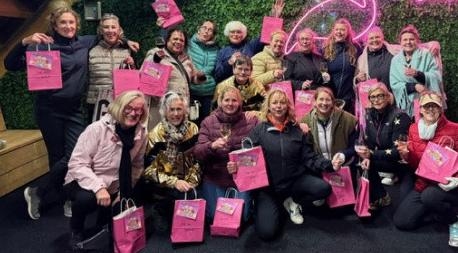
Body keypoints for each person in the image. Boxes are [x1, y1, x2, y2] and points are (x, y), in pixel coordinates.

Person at [4, 0, 138, 221]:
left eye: (71, 22)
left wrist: (126, 41)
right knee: (57, 156)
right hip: (49, 110)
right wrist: (25, 41)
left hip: (73, 110)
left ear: (77, 24)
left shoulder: (84, 42)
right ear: (54, 26)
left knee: (76, 155)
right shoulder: (41, 46)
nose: (68, 26)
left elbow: (107, 35)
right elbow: (10, 64)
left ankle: (38, 191)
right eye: (63, 23)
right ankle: (67, 197)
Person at [241, 89, 343, 241]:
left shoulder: (297, 130)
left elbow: (310, 158)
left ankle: (293, 202)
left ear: (288, 106)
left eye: (282, 103)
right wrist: (236, 166)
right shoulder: (258, 131)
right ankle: (277, 205)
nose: (279, 106)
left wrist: (330, 165)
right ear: (268, 106)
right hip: (269, 188)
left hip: (294, 182)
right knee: (267, 233)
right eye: (274, 103)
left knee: (324, 189)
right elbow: (246, 159)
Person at [64, 91, 148, 247]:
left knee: (112, 228)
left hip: (115, 184)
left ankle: (103, 224)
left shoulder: (142, 133)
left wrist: (123, 192)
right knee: (86, 200)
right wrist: (98, 188)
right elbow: (77, 164)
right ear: (119, 107)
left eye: (138, 109)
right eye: (128, 108)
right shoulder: (96, 129)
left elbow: (136, 166)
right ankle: (76, 227)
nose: (133, 113)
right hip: (83, 181)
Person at [393, 92, 458, 247]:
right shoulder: (413, 129)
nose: (430, 109)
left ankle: (455, 222)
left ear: (440, 109)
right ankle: (437, 210)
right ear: (420, 109)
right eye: (427, 106)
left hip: (453, 186)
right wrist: (407, 156)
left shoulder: (457, 130)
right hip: (425, 184)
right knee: (402, 221)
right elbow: (415, 165)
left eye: (435, 106)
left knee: (430, 196)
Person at [194, 86, 259, 222]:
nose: (230, 104)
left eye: (234, 100)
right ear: (220, 102)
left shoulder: (250, 120)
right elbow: (198, 153)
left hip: (241, 178)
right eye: (227, 100)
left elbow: (260, 151)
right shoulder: (208, 122)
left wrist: (240, 165)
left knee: (241, 218)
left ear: (240, 103)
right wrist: (211, 146)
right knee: (216, 218)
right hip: (216, 178)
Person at [143, 92, 202, 231]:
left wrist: (192, 181)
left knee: (200, 199)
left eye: (179, 109)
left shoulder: (193, 128)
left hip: (188, 181)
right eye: (171, 109)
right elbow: (148, 171)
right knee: (181, 199)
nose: (176, 113)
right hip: (164, 183)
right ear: (165, 112)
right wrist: (174, 182)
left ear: (185, 110)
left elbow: (198, 160)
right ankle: (160, 211)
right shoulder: (154, 135)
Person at [299, 87, 358, 205]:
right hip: (320, 167)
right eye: (321, 99)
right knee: (320, 202)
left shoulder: (348, 119)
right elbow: (306, 152)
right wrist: (299, 127)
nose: (324, 103)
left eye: (328, 100)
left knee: (345, 207)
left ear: (333, 102)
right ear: (315, 101)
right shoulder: (305, 121)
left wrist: (342, 155)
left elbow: (355, 146)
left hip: (343, 166)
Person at [358, 83, 412, 209]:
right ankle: (381, 197)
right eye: (372, 97)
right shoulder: (369, 114)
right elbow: (369, 142)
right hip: (385, 158)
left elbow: (398, 151)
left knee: (404, 207)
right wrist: (366, 157)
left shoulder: (400, 116)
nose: (376, 100)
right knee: (362, 163)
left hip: (403, 163)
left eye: (380, 96)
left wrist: (372, 154)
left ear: (388, 97)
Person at [144, 25, 206, 129]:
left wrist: (200, 77)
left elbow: (191, 78)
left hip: (180, 106)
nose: (178, 42)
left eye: (181, 40)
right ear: (167, 40)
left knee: (178, 134)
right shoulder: (156, 53)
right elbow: (144, 75)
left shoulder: (186, 57)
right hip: (161, 106)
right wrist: (155, 61)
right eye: (175, 39)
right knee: (160, 135)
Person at [214, 0, 285, 83]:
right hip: (230, 86)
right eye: (232, 32)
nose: (235, 34)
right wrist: (229, 63)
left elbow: (266, 35)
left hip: (249, 86)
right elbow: (218, 76)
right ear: (228, 34)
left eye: (238, 32)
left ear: (243, 34)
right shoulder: (222, 52)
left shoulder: (250, 47)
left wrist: (275, 17)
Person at [86, 13, 134, 123]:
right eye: (106, 27)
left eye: (113, 27)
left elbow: (134, 76)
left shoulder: (127, 50)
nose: (110, 30)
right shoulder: (91, 50)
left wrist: (132, 65)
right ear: (101, 30)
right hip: (97, 104)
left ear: (119, 30)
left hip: (121, 103)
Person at [390, 24, 443, 119]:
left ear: (417, 41)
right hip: (406, 105)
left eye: (411, 39)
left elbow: (436, 76)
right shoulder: (395, 60)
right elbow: (394, 84)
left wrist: (418, 74)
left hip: (427, 102)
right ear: (400, 42)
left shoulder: (426, 54)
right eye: (405, 40)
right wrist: (414, 86)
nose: (408, 42)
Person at [323, 19, 362, 113]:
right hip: (329, 96)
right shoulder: (325, 48)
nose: (339, 32)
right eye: (337, 29)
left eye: (342, 30)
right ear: (333, 31)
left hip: (348, 97)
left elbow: (364, 62)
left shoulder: (355, 48)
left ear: (348, 32)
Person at [187, 19, 219, 124]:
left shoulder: (215, 49)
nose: (206, 31)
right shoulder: (189, 45)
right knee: (192, 123)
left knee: (206, 123)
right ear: (199, 29)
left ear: (213, 34)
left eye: (210, 30)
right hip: (192, 90)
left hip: (209, 92)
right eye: (204, 28)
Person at [284, 28, 329, 92]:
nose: (305, 42)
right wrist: (300, 85)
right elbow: (286, 79)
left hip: (318, 94)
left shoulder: (320, 59)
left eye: (307, 39)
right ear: (298, 41)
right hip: (301, 95)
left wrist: (327, 79)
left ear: (312, 41)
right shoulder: (290, 58)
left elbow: (325, 79)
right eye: (302, 39)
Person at [354, 26, 397, 92]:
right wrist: (358, 78)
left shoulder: (394, 52)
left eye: (377, 37)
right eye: (371, 38)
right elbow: (356, 81)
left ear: (382, 38)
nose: (374, 40)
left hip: (393, 95)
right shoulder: (361, 60)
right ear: (366, 41)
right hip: (374, 97)